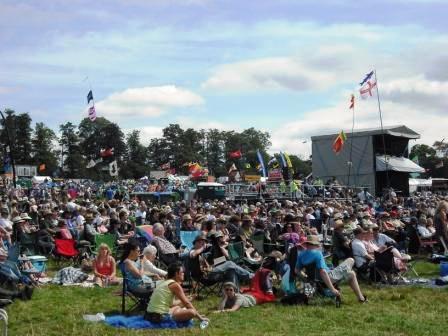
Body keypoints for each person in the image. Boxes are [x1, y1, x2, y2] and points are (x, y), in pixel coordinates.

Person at [296, 235, 367, 302]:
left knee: (351, 271)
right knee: (351, 262)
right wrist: (332, 289)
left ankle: (360, 297)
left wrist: (306, 277)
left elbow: (297, 270)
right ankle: (360, 297)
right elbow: (323, 272)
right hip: (329, 277)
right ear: (315, 244)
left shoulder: (301, 254)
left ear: (307, 244)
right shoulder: (317, 254)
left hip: (315, 279)